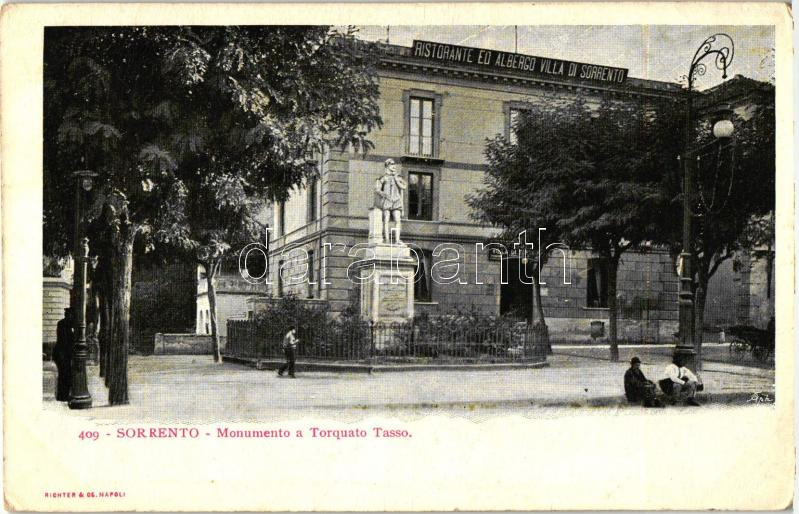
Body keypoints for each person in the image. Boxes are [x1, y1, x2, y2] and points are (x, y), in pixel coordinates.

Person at [373, 158, 407, 244]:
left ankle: (397, 240)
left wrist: (396, 179)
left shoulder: (398, 176)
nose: (394, 166)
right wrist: (384, 194)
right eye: (392, 164)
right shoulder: (383, 177)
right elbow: (377, 189)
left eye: (394, 164)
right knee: (386, 220)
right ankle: (387, 240)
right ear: (387, 166)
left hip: (396, 200)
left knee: (397, 220)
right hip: (387, 200)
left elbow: (404, 186)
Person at [53, 307, 74, 401]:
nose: (71, 317)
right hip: (62, 354)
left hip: (63, 353)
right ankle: (63, 396)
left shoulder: (64, 324)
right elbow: (65, 341)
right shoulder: (65, 324)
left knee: (64, 375)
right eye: (70, 315)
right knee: (64, 375)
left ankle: (63, 395)